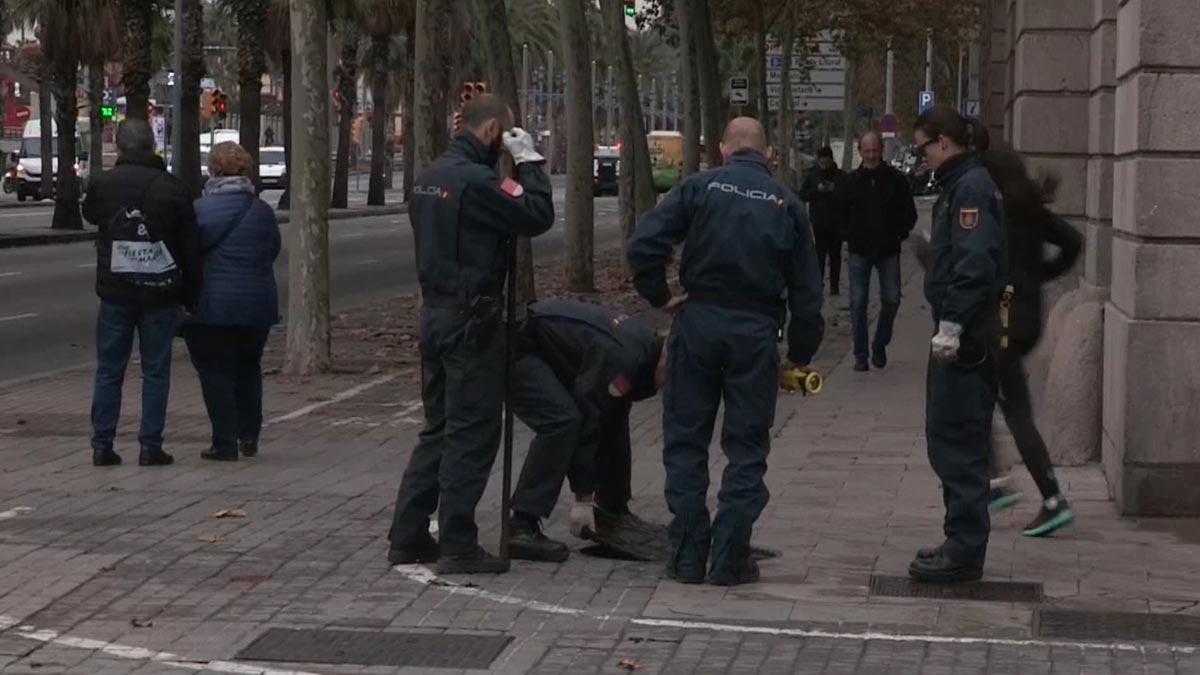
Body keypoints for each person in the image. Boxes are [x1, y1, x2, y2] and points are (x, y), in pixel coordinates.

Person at [628, 117, 824, 586]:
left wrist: (658, 295)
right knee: (746, 448)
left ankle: (688, 554)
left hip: (697, 324)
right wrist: (799, 355)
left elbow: (643, 244)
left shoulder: (698, 188)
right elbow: (808, 295)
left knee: (685, 442)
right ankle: (731, 556)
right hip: (755, 332)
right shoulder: (788, 204)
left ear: (722, 150)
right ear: (769, 154)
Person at [386, 94, 555, 575]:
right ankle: (458, 541)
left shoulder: (429, 177)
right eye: (507, 137)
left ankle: (408, 532)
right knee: (472, 431)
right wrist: (530, 162)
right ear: (491, 132)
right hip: (471, 320)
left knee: (437, 428)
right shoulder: (478, 181)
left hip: (435, 314)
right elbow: (537, 215)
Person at [909, 104, 1006, 583]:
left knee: (959, 440)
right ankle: (958, 540)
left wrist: (952, 325)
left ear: (942, 142)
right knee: (946, 436)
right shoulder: (960, 185)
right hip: (959, 330)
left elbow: (975, 266)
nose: (921, 157)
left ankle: (965, 551)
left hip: (966, 338)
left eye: (922, 147)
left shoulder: (969, 189)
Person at [507, 299, 666, 562]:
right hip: (518, 347)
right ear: (668, 356)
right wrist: (583, 496)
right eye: (672, 378)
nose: (667, 389)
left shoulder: (645, 349)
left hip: (542, 344)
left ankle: (613, 509)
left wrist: (613, 503)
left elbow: (610, 419)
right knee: (563, 421)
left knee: (614, 413)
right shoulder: (624, 358)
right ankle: (521, 524)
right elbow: (590, 414)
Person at [84, 119, 202, 468]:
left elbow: (89, 213)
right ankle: (151, 445)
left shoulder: (104, 184)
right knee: (156, 370)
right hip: (160, 292)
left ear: (119, 147)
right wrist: (192, 293)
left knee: (109, 369)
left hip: (116, 291)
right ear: (152, 146)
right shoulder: (172, 188)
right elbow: (190, 245)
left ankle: (102, 444)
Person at [978, 152, 1082, 536]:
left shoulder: (1001, 215)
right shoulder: (1031, 210)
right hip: (1024, 319)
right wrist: (1040, 274)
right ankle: (993, 482)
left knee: (1015, 411)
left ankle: (1050, 498)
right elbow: (1073, 241)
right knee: (982, 395)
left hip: (1005, 322)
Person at [180, 142, 282, 462]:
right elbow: (273, 250)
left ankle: (224, 441)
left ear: (213, 171)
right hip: (257, 306)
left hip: (213, 306)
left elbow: (189, 254)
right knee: (248, 368)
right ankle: (249, 434)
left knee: (215, 372)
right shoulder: (262, 212)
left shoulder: (199, 210)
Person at [840, 131, 918, 371]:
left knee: (892, 299)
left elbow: (909, 213)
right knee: (858, 302)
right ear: (860, 152)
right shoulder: (851, 182)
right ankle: (861, 355)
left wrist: (898, 234)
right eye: (867, 151)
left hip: (888, 249)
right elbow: (839, 214)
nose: (872, 155)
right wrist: (848, 235)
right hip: (859, 250)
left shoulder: (895, 180)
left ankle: (880, 343)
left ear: (880, 151)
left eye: (875, 150)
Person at [798, 146, 846, 294]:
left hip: (836, 221)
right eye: (822, 163)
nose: (824, 166)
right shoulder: (812, 175)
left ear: (831, 161)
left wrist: (834, 190)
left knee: (835, 255)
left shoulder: (840, 176)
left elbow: (847, 196)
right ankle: (818, 284)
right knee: (819, 254)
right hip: (818, 221)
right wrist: (816, 190)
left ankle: (834, 285)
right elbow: (802, 194)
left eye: (827, 163)